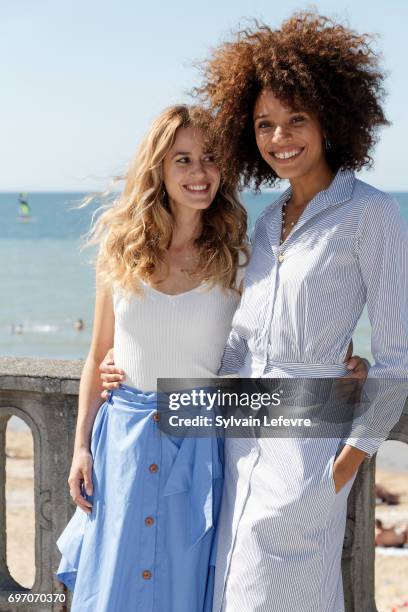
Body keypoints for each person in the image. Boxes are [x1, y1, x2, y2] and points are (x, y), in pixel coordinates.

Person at [191, 11, 408, 612]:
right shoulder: (263, 223)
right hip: (236, 450)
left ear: (331, 121)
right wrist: (144, 378)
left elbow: (396, 360)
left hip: (304, 463)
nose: (279, 137)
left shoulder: (371, 213)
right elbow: (238, 345)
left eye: (296, 120)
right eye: (264, 124)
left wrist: (335, 477)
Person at [54, 104, 250, 612]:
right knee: (116, 586)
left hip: (198, 447)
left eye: (209, 158)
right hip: (123, 444)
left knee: (182, 588)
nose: (199, 173)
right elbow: (98, 354)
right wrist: (80, 446)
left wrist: (342, 361)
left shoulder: (239, 256)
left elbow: (269, 343)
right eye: (182, 159)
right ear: (159, 167)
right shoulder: (122, 249)